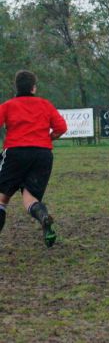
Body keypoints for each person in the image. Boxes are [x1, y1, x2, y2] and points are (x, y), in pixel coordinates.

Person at [0, 70, 67, 247]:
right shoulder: (45, 104)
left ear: (17, 87)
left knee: (2, 199)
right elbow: (61, 128)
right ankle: (43, 215)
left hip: (15, 153)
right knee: (30, 198)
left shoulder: (8, 105)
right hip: (42, 155)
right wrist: (48, 138)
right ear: (33, 88)